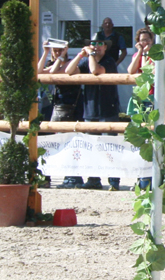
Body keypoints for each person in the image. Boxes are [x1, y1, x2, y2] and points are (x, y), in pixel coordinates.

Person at [65, 34, 122, 189]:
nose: (95, 46)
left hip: (107, 109)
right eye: (93, 43)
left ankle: (114, 181)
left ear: (105, 46)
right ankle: (93, 179)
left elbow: (95, 71)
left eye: (99, 43)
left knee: (110, 147)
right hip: (90, 110)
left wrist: (90, 55)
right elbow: (68, 71)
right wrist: (80, 55)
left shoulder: (109, 61)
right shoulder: (86, 60)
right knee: (91, 147)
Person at [40, 38, 81, 187]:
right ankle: (46, 176)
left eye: (60, 50)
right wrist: (45, 53)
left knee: (69, 142)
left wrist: (62, 56)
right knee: (50, 142)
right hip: (55, 108)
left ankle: (73, 177)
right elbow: (40, 72)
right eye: (55, 50)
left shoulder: (72, 64)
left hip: (70, 107)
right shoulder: (53, 63)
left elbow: (53, 73)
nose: (57, 53)